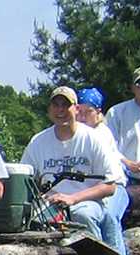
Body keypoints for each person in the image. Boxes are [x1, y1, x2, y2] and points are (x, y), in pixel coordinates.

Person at [19, 86, 125, 245]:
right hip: (50, 204)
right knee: (26, 223)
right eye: (56, 105)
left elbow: (110, 186)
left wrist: (73, 198)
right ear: (49, 109)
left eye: (65, 105)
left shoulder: (93, 139)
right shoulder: (38, 142)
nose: (60, 110)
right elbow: (25, 179)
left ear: (76, 109)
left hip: (87, 202)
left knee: (83, 215)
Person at [73, 86, 132, 255]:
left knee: (109, 216)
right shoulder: (76, 134)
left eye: (87, 112)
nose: (82, 117)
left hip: (116, 187)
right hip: (92, 189)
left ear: (98, 112)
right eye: (79, 112)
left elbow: (110, 180)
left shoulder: (101, 134)